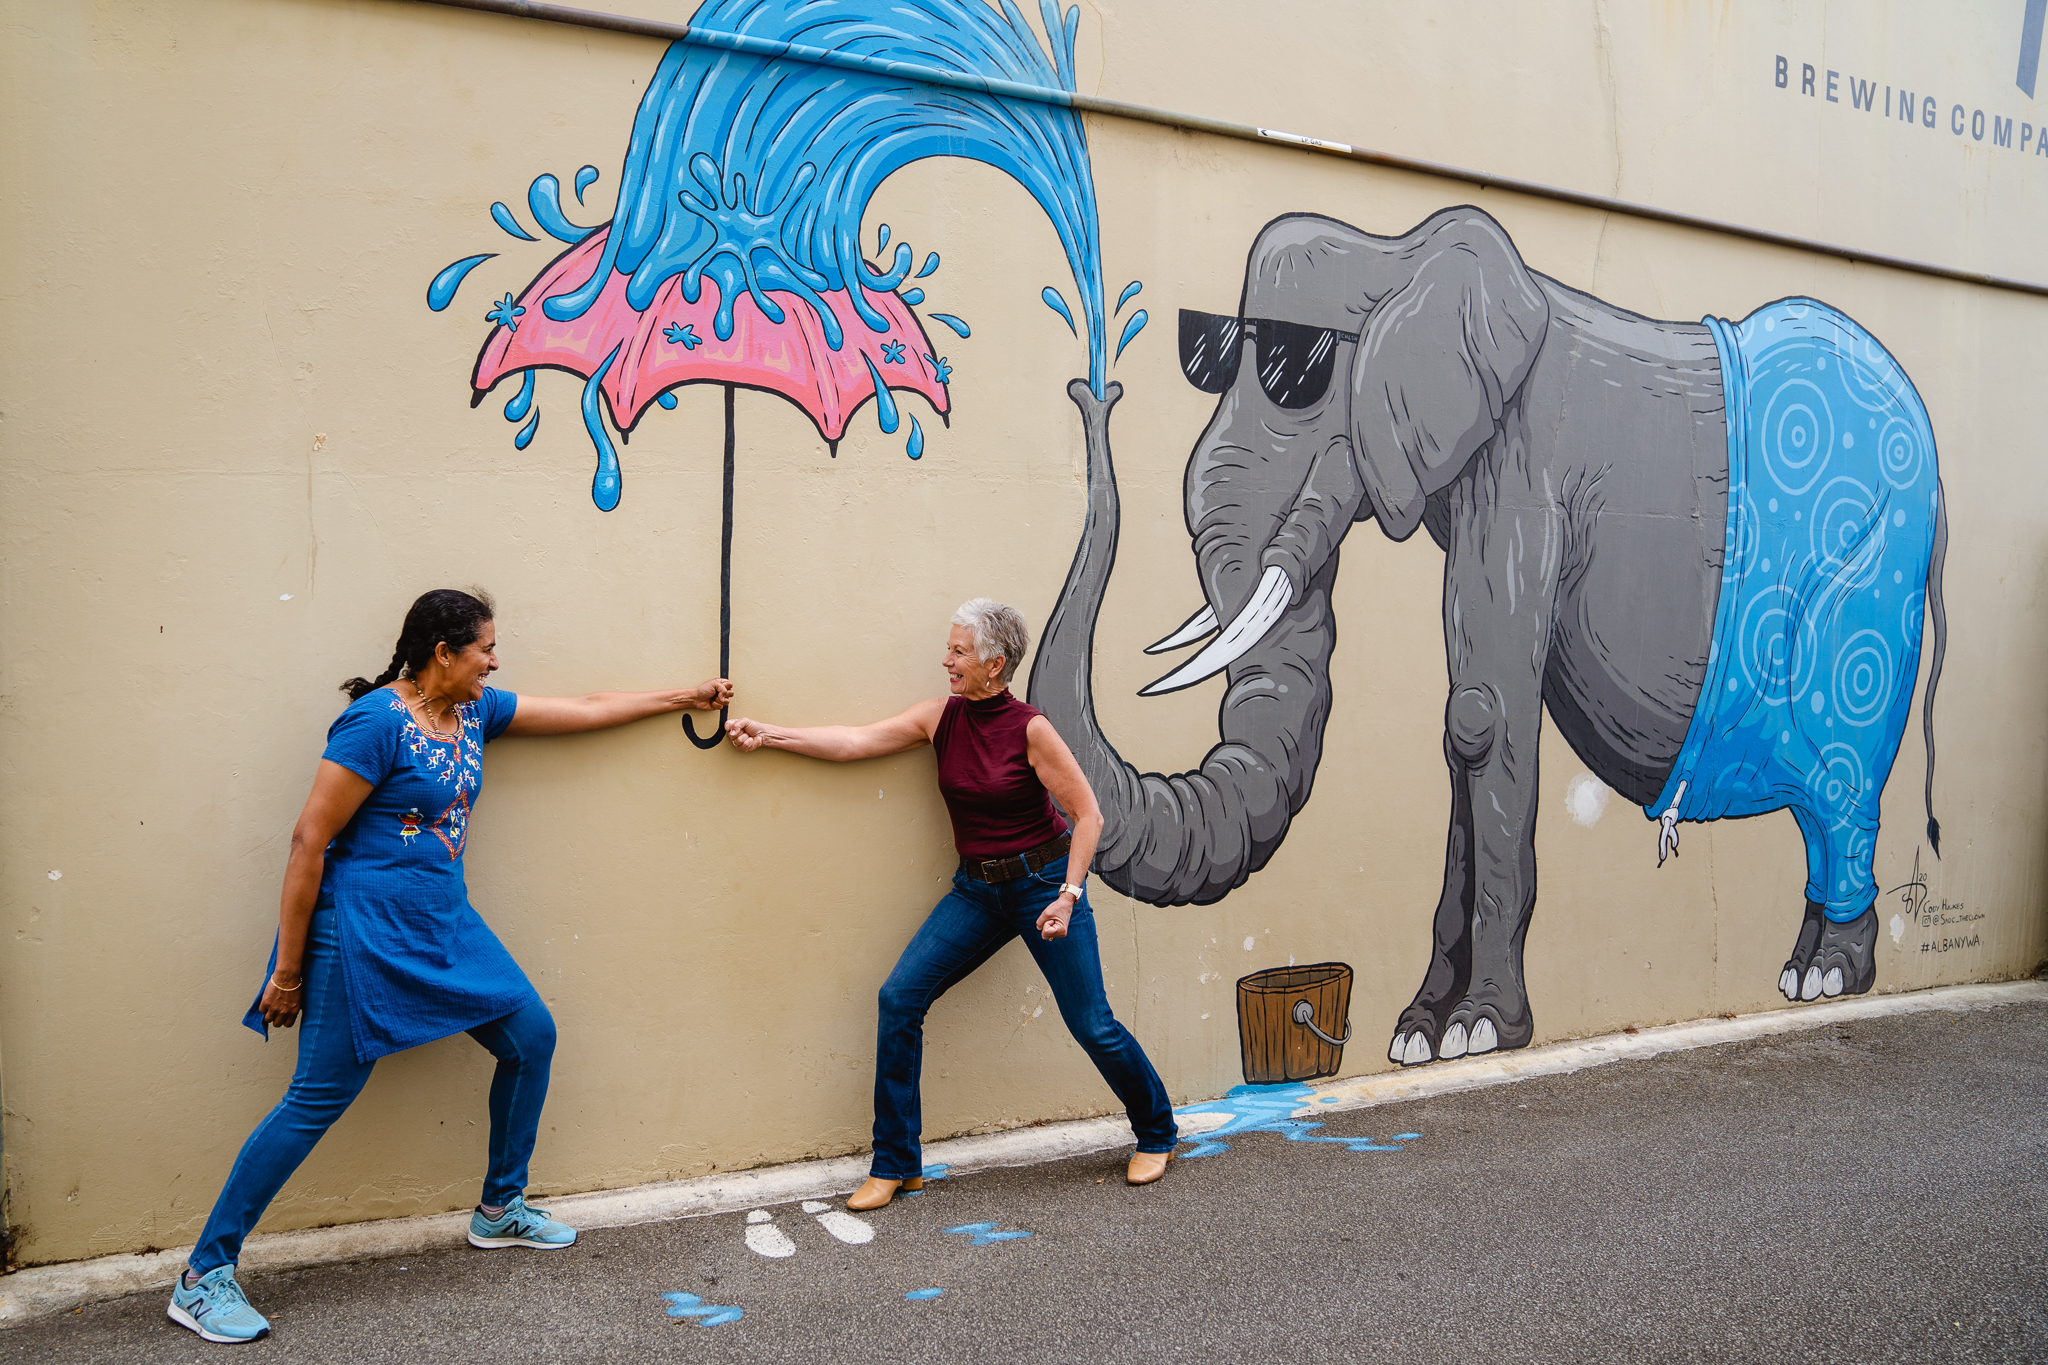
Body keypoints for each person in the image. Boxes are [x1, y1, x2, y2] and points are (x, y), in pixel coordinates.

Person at [169, 589, 732, 1345]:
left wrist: (683, 697)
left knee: (531, 1037)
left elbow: (585, 708)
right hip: (362, 931)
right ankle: (203, 1276)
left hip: (442, 919)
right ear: (443, 652)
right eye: (485, 649)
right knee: (317, 1097)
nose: (495, 662)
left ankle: (500, 1208)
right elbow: (308, 841)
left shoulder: (475, 711)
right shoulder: (375, 722)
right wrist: (289, 971)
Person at [724, 598, 1178, 1210]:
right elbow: (856, 741)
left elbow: (1088, 815)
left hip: (1044, 885)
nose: (946, 661)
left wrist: (1069, 896)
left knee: (1091, 1023)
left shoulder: (1030, 729)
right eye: (950, 649)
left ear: (995, 664)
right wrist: (770, 735)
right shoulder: (940, 717)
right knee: (899, 998)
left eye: (959, 651)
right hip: (978, 890)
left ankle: (1157, 1132)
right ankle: (895, 1164)